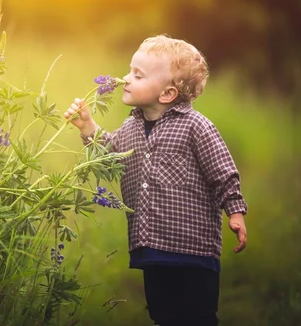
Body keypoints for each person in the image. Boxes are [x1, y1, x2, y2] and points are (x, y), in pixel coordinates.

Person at [63, 35, 248, 326]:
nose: (125, 78)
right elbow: (110, 157)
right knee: (163, 315)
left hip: (194, 250)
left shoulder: (196, 127)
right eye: (129, 70)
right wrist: (88, 126)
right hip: (152, 248)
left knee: (197, 317)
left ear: (166, 94)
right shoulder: (131, 126)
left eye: (137, 75)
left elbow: (222, 171)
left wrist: (235, 210)